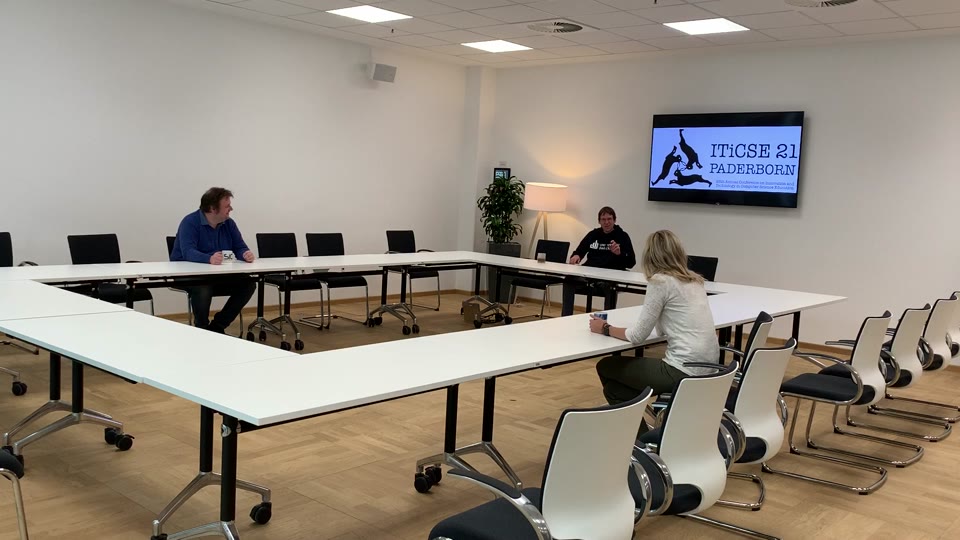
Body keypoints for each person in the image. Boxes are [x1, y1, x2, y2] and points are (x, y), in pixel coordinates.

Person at [588, 230, 719, 429]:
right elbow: (663, 328)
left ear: (650, 255)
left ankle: (640, 437)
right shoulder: (695, 281)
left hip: (682, 369)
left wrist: (605, 328)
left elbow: (637, 336)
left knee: (606, 366)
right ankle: (642, 428)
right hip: (709, 366)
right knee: (615, 390)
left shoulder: (660, 281)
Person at [170, 187, 257, 334]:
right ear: (212, 208)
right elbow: (188, 252)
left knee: (248, 284)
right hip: (188, 275)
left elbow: (239, 246)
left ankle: (217, 327)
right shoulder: (190, 222)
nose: (231, 209)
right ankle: (202, 329)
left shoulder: (229, 223)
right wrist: (208, 258)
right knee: (203, 287)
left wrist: (245, 254)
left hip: (217, 274)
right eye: (227, 206)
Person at [560, 207, 636, 316]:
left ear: (614, 220)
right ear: (599, 221)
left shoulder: (622, 236)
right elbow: (579, 251)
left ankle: (606, 320)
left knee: (610, 287)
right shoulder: (593, 234)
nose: (606, 222)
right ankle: (566, 317)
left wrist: (619, 254)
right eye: (603, 219)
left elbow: (631, 262)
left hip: (609, 277)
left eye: (609, 219)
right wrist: (576, 256)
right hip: (589, 275)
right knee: (569, 280)